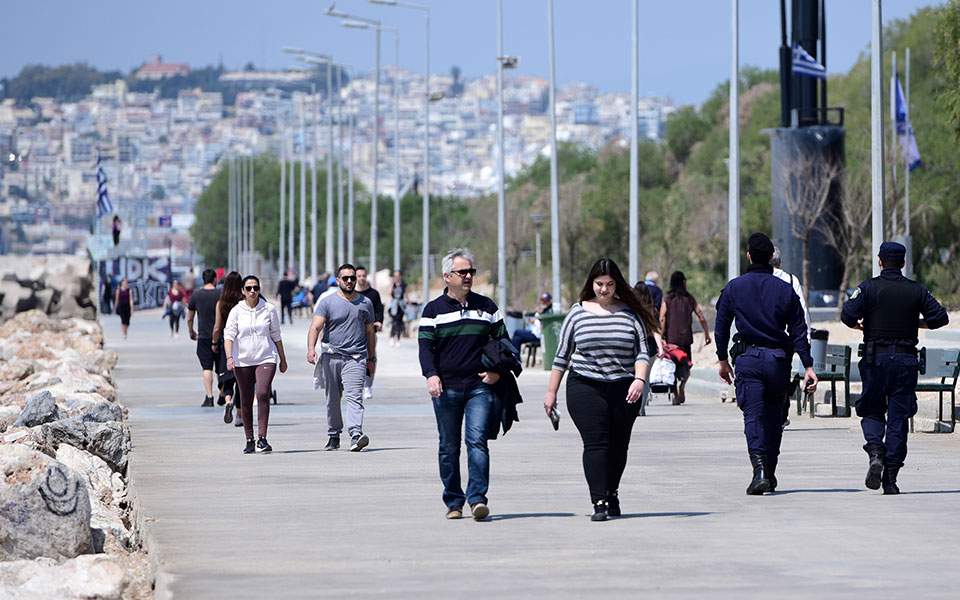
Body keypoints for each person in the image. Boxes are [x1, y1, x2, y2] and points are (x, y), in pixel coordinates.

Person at [544, 259, 656, 521]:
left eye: (609, 284)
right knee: (596, 443)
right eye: (599, 284)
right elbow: (561, 356)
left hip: (624, 387)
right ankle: (599, 501)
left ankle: (612, 490)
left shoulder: (631, 314)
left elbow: (642, 352)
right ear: (591, 284)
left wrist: (639, 380)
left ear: (617, 284)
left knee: (619, 446)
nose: (604, 289)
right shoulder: (577, 312)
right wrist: (551, 392)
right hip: (585, 385)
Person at [840, 241, 949, 495]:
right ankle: (890, 477)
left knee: (872, 409)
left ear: (879, 262)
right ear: (902, 263)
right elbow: (940, 318)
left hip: (875, 359)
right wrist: (915, 324)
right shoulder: (916, 290)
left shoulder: (867, 288)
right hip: (905, 361)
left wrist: (860, 327)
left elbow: (847, 316)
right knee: (899, 419)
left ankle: (876, 450)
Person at [714, 233, 817, 495]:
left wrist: (722, 359)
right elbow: (799, 331)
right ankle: (768, 472)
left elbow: (721, 326)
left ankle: (759, 470)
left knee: (754, 417)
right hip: (778, 361)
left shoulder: (734, 288)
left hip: (748, 360)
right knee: (775, 418)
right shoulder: (785, 289)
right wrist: (808, 366)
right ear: (772, 258)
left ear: (748, 256)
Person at [419, 248, 508, 521]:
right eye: (463, 272)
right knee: (448, 446)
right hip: (446, 389)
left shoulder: (487, 307)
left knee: (477, 442)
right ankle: (454, 502)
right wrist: (431, 375)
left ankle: (478, 499)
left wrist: (498, 373)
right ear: (447, 276)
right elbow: (425, 348)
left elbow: (504, 344)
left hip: (479, 388)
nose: (468, 276)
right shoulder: (432, 310)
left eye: (471, 271)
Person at [307, 264, 377, 452]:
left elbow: (370, 333)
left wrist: (372, 357)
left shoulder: (365, 303)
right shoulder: (327, 302)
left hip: (356, 358)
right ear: (338, 280)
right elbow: (315, 327)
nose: (349, 281)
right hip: (331, 357)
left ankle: (356, 434)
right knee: (333, 398)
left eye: (352, 278)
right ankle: (333, 434)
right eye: (345, 278)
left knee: (355, 397)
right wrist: (311, 349)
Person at [224, 275, 287, 453]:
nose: (253, 291)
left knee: (262, 393)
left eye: (256, 288)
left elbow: (276, 335)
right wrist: (230, 357)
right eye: (249, 288)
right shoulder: (236, 311)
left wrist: (282, 359)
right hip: (242, 360)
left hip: (266, 357)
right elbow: (228, 335)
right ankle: (249, 439)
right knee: (245, 398)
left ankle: (262, 438)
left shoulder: (269, 309)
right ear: (243, 291)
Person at [770, 246, 811, 430]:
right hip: (784, 342)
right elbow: (802, 312)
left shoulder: (757, 280)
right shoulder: (791, 280)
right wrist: (806, 336)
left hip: (759, 342)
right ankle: (781, 413)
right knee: (783, 377)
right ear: (780, 262)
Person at [659, 270, 711, 404]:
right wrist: (706, 335)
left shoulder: (667, 297)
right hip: (685, 338)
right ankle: (682, 386)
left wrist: (661, 336)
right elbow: (701, 317)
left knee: (671, 366)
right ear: (683, 282)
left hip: (671, 339)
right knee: (687, 364)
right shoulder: (690, 298)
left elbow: (662, 318)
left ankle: (676, 391)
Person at [212, 272, 244, 426]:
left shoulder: (221, 303)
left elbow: (218, 326)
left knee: (228, 379)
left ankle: (228, 400)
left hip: (227, 343)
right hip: (243, 344)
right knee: (241, 381)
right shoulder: (243, 302)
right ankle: (239, 415)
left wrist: (214, 342)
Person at [187, 269, 221, 407]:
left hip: (203, 336)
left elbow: (190, 317)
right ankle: (223, 395)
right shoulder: (220, 294)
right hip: (219, 336)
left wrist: (191, 331)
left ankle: (209, 396)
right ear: (214, 279)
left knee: (207, 367)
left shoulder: (197, 294)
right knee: (221, 367)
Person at [633, 282, 666, 417]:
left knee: (633, 377)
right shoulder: (652, 310)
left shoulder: (631, 309)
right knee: (644, 379)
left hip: (633, 347)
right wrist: (660, 347)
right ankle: (641, 408)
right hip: (650, 348)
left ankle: (633, 406)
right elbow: (656, 330)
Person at [355, 265, 384, 401]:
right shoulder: (352, 293)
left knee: (370, 357)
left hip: (370, 332)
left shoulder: (373, 294)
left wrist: (379, 322)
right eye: (358, 276)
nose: (361, 278)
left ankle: (368, 385)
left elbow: (379, 309)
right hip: (354, 333)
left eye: (363, 276)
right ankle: (357, 385)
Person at [388, 270, 408, 346]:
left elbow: (406, 294)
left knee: (399, 323)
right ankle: (392, 337)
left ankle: (398, 339)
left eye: (397, 276)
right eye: (395, 276)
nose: (396, 277)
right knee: (394, 322)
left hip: (401, 305)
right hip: (394, 305)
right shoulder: (393, 285)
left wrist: (410, 306)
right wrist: (391, 285)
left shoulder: (403, 284)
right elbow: (389, 293)